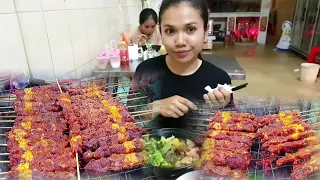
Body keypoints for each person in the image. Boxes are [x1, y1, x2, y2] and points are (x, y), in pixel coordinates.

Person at [130, 0, 231, 122]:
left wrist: (219, 111)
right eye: (170, 31)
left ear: (205, 32)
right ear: (161, 33)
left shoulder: (219, 80)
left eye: (191, 29)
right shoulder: (145, 71)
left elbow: (230, 129)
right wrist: (154, 107)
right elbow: (128, 119)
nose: (180, 42)